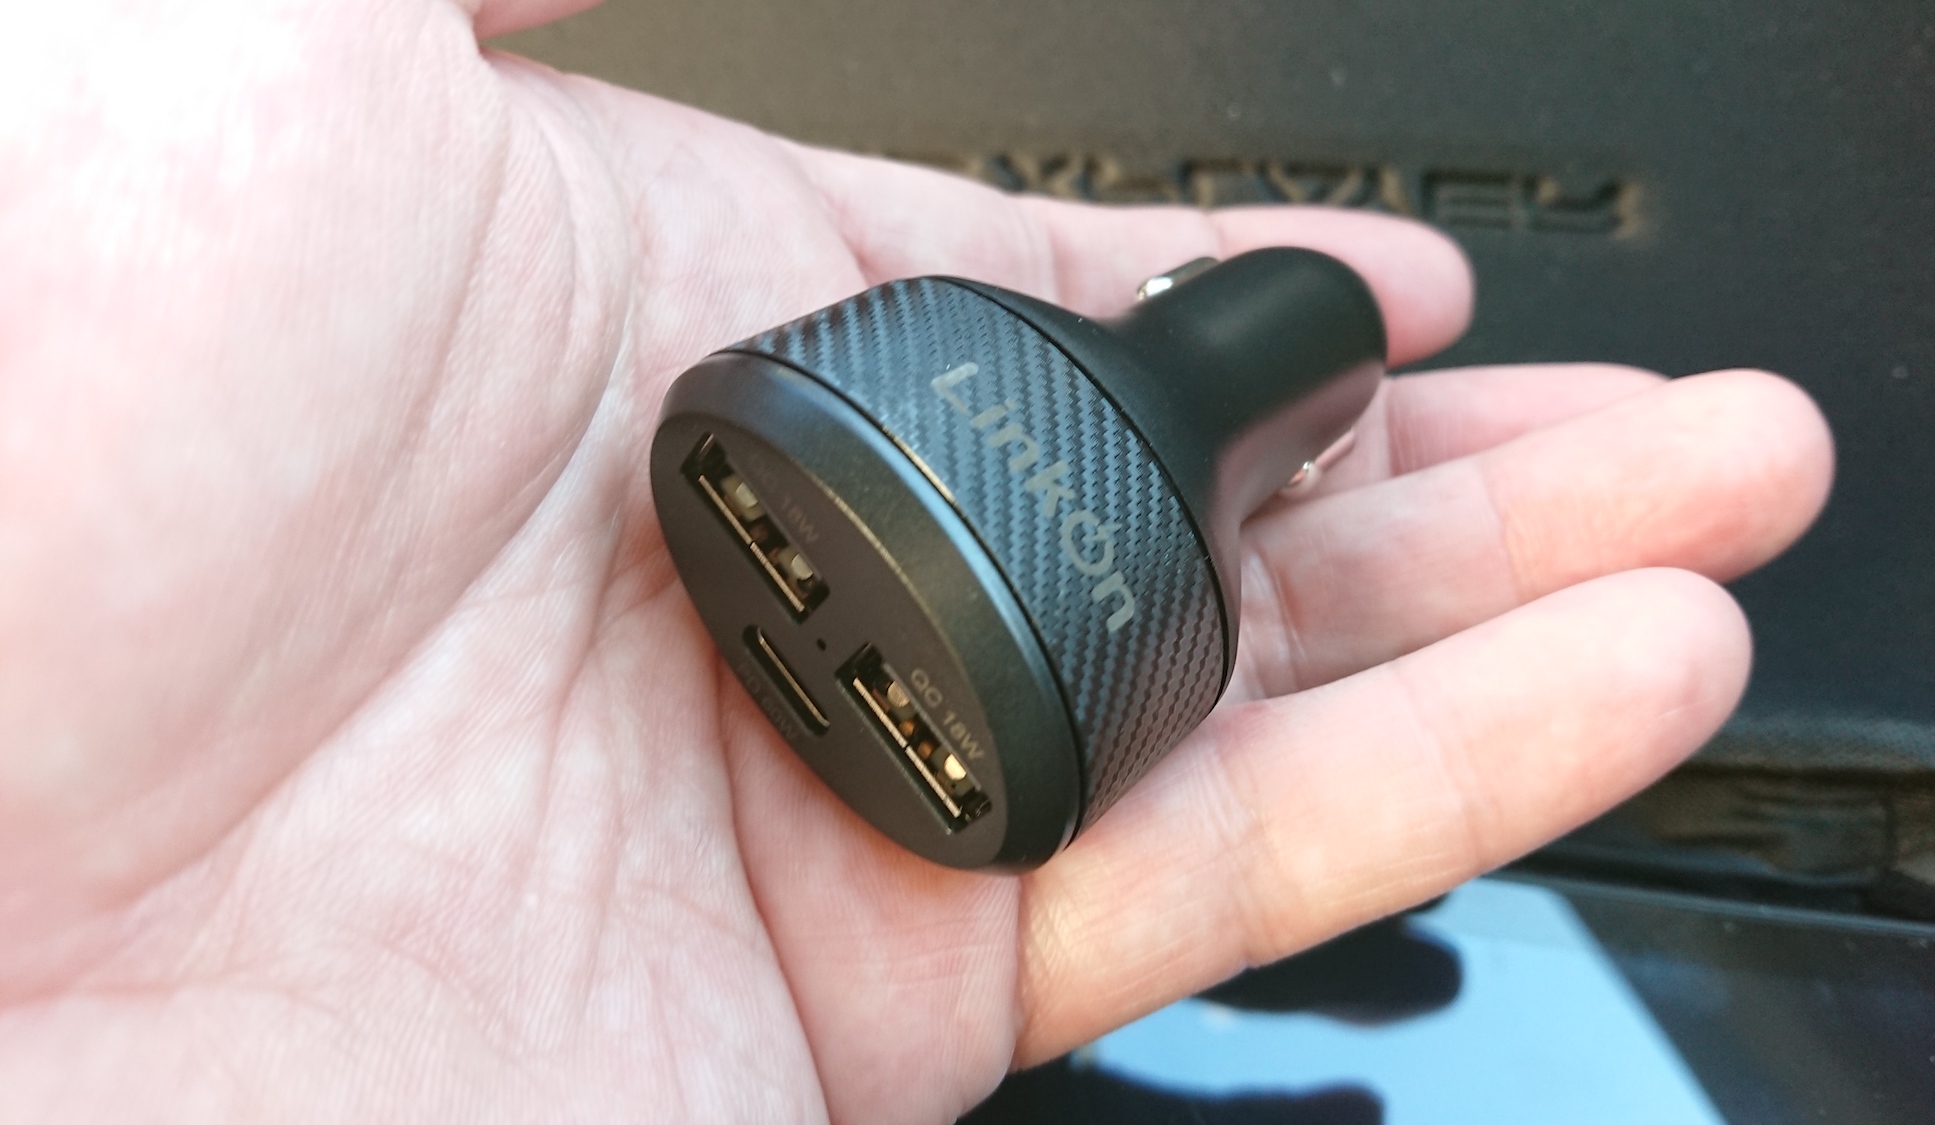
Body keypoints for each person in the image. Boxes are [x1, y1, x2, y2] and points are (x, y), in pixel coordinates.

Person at [0, 2, 1834, 1121]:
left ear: (1178, 296)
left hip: (809, 464)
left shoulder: (1008, 395)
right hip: (975, 688)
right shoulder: (1162, 591)